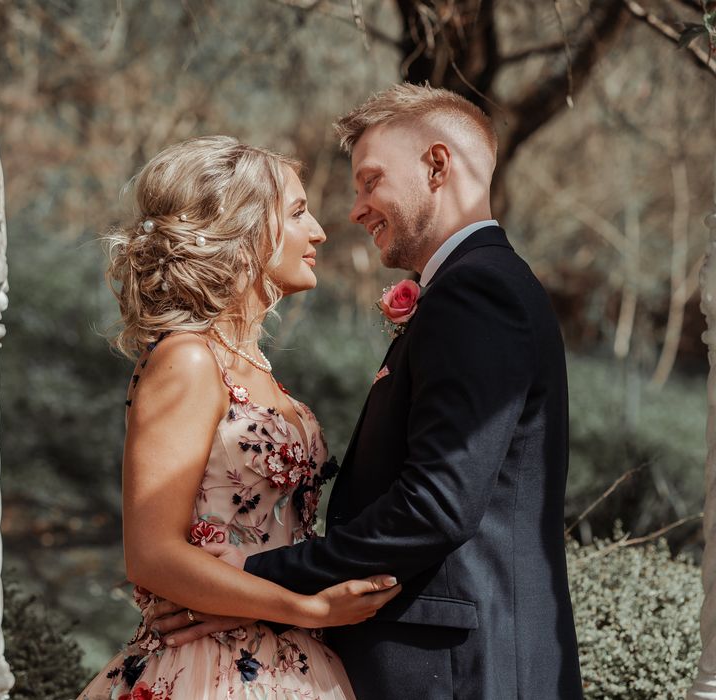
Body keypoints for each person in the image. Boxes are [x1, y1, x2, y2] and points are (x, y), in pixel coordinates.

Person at [156, 84, 585, 699]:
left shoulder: (475, 293)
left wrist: (261, 583)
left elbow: (434, 506)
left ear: (437, 166)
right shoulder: (477, 286)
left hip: (462, 668)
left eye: (371, 180)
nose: (355, 209)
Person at [77, 136, 401, 700]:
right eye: (298, 213)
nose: (320, 230)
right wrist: (307, 606)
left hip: (294, 660)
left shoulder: (252, 364)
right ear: (243, 231)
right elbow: (152, 554)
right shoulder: (186, 358)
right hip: (209, 671)